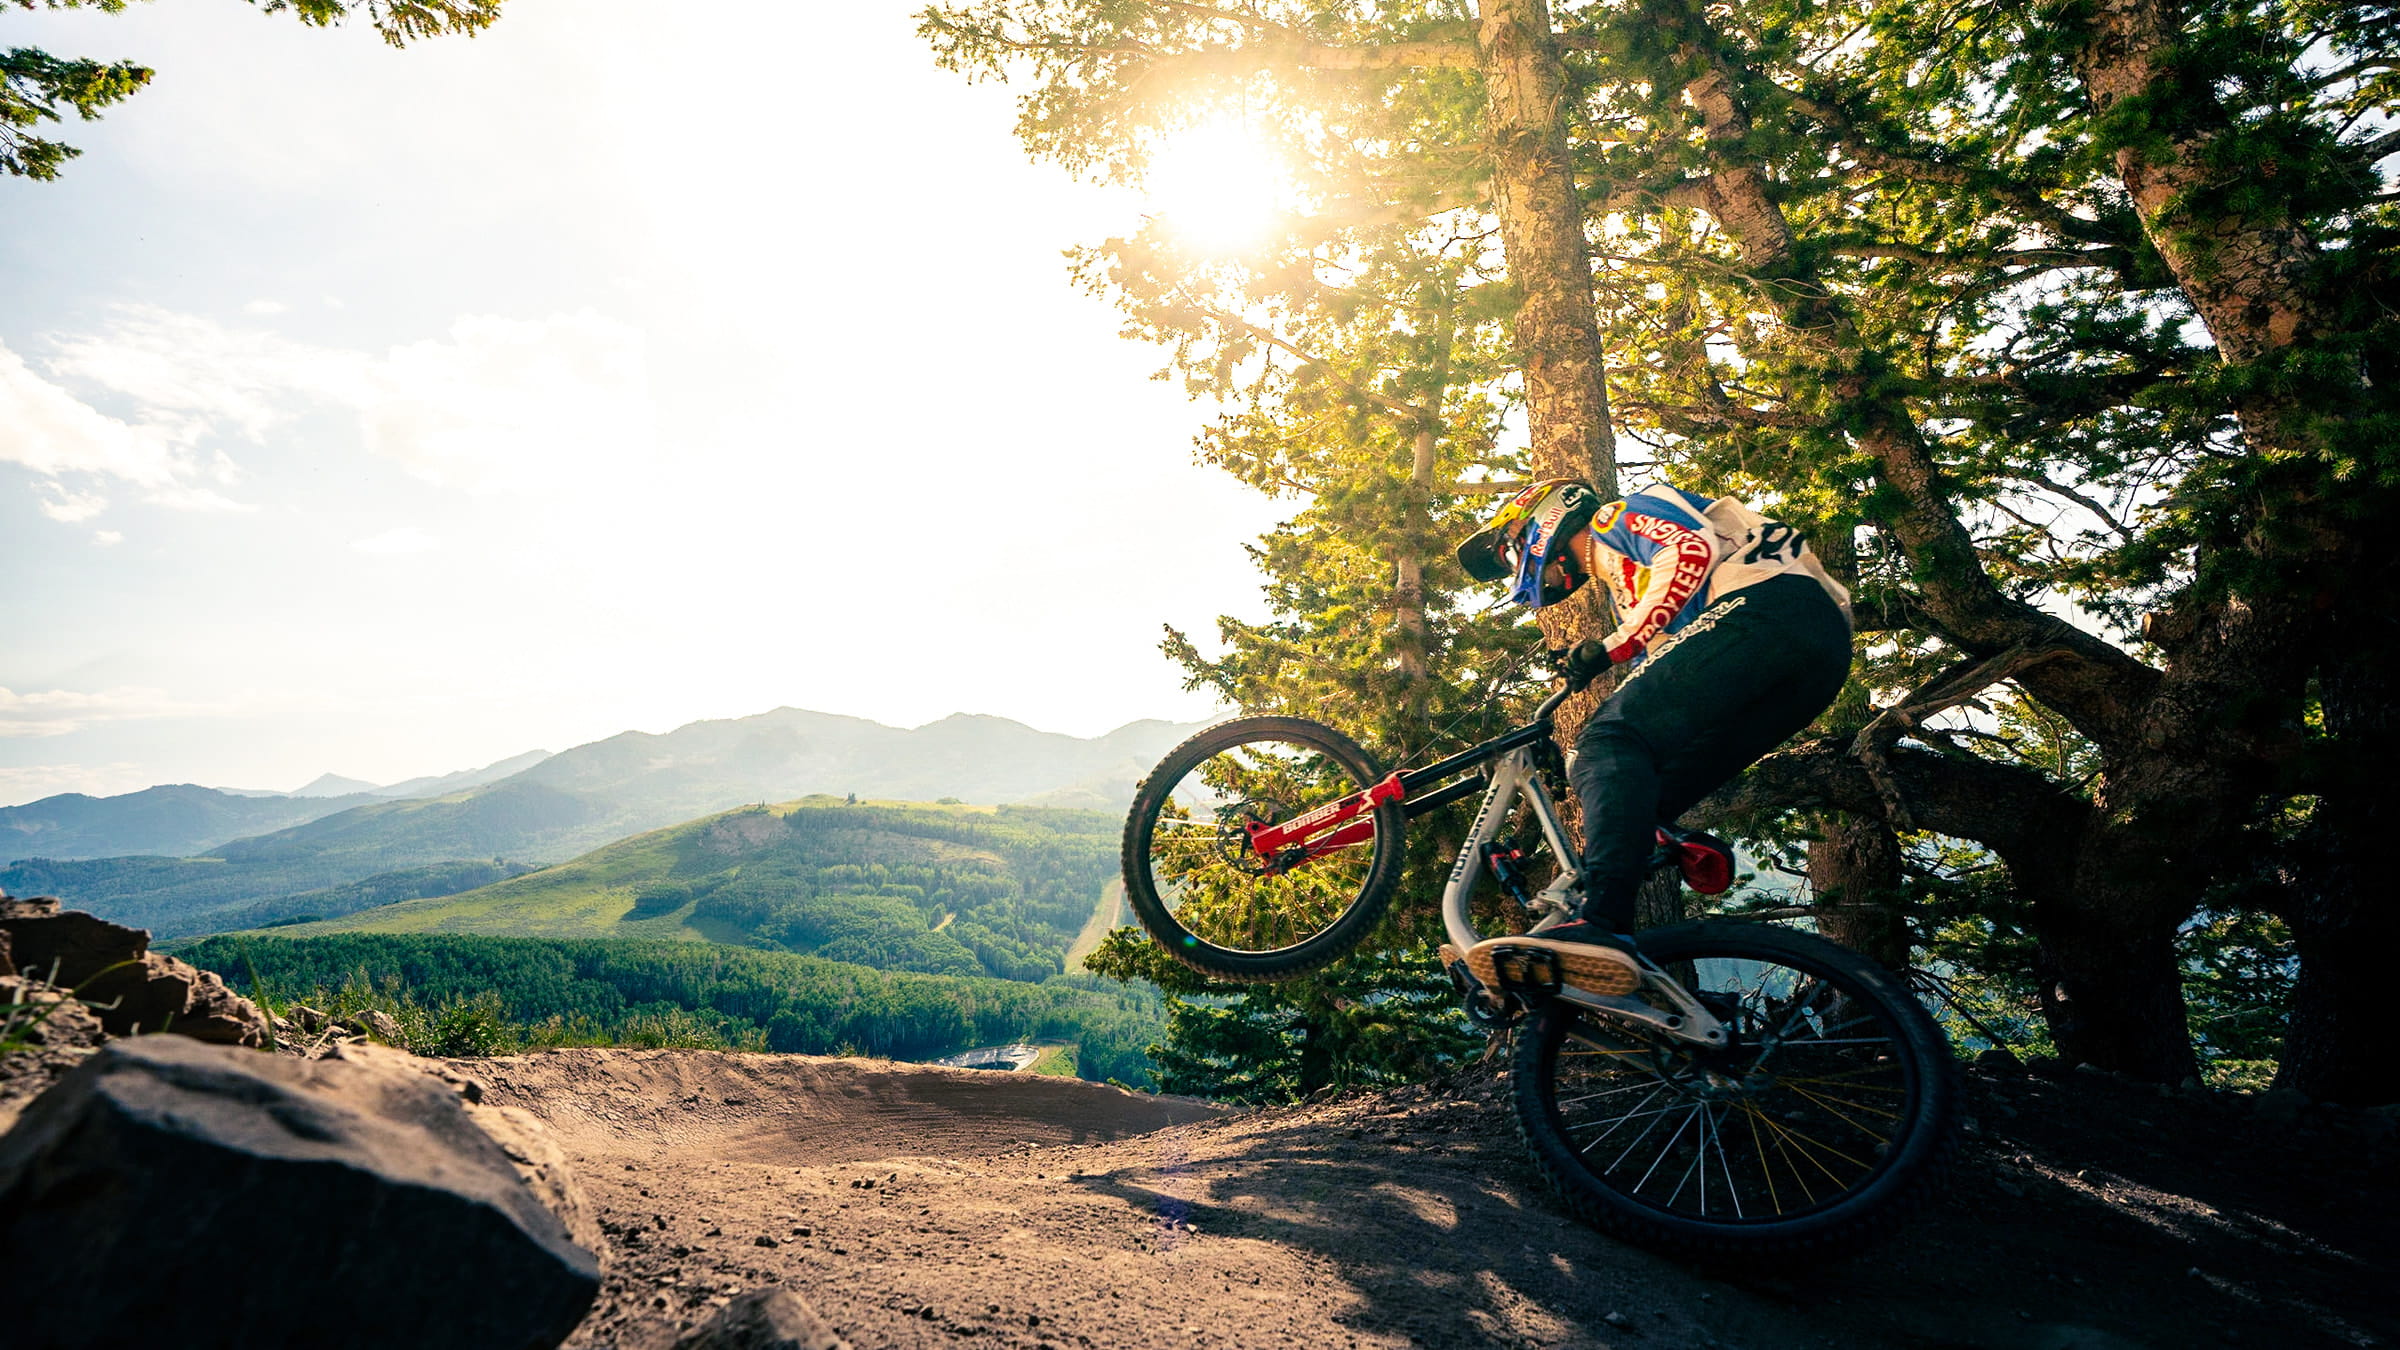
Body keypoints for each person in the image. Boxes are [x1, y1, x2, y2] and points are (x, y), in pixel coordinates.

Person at [1448, 477, 1854, 996]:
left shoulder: (1612, 519)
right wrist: (1578, 766)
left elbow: (1690, 548)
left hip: (1770, 609)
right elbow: (1672, 684)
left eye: (1510, 554)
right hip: (1812, 660)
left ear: (1538, 523)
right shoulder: (1630, 586)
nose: (1518, 569)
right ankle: (1669, 837)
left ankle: (1604, 922)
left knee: (1608, 744)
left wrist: (1611, 648)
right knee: (1632, 778)